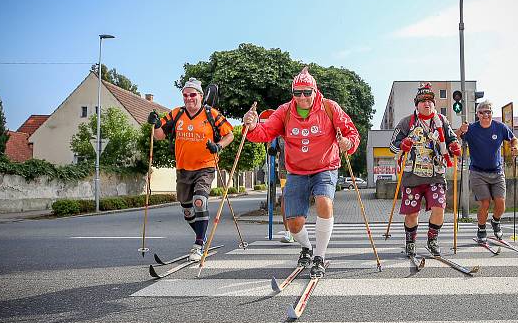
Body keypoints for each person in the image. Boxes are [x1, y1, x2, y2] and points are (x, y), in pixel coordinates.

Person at [243, 67, 360, 278]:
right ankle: (306, 247)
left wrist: (347, 142)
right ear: (293, 94)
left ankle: (320, 257)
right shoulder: (285, 111)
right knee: (294, 223)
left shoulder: (329, 107)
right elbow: (265, 131)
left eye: (307, 92)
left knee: (324, 202)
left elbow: (352, 132)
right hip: (296, 170)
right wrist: (251, 127)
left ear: (315, 90)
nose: (303, 97)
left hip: (325, 166)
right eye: (298, 93)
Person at [148, 78, 234, 261]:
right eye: (185, 95)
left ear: (201, 96)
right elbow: (160, 136)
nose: (189, 98)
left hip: (205, 166)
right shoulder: (176, 114)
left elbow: (229, 134)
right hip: (183, 169)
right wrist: (155, 125)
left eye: (192, 94)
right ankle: (202, 236)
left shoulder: (211, 114)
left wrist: (218, 146)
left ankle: (198, 244)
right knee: (187, 211)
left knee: (200, 201)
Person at [389, 83, 461, 257]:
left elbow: (452, 139)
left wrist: (454, 146)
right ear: (416, 104)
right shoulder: (406, 122)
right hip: (412, 176)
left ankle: (432, 240)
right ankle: (411, 242)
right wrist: (403, 145)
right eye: (422, 101)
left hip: (436, 174)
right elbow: (392, 145)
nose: (427, 104)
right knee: (412, 213)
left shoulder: (442, 121)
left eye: (430, 101)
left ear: (434, 104)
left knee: (439, 208)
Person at [455, 100, 518, 243]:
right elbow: (454, 138)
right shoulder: (471, 129)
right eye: (482, 112)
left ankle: (496, 221)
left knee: (500, 203)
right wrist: (461, 130)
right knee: (485, 203)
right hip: (478, 172)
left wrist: (515, 147)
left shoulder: (500, 127)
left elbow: (513, 139)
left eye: (488, 112)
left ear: (491, 113)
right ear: (477, 114)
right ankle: (481, 228)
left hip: (497, 172)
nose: (485, 114)